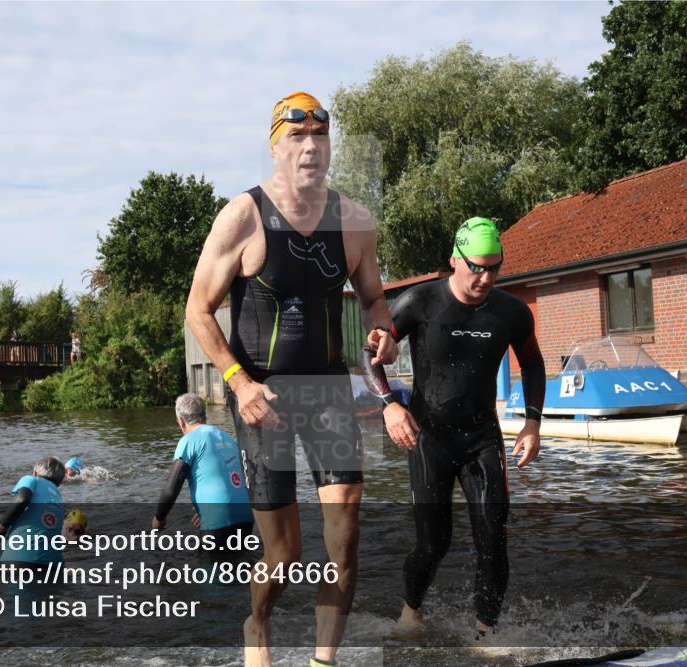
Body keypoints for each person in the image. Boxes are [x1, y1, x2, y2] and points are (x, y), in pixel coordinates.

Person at [185, 90, 397, 667]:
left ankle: (322, 661)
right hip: (264, 396)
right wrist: (238, 382)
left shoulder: (353, 220)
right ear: (275, 149)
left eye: (320, 138)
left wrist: (384, 331)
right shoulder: (244, 216)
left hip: (328, 390)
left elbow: (376, 299)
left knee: (345, 530)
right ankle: (258, 625)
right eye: (297, 139)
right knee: (281, 557)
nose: (310, 148)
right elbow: (197, 310)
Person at [361, 216, 546, 640]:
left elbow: (533, 363)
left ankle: (486, 634)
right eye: (476, 266)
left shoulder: (511, 312)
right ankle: (411, 611)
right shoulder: (419, 302)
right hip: (430, 438)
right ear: (454, 260)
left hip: (482, 437)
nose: (485, 277)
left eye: (494, 267)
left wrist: (533, 422)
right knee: (434, 543)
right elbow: (368, 351)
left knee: (493, 536)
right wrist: (390, 405)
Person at [153, 394, 254, 548]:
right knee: (239, 566)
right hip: (247, 518)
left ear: (180, 421)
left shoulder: (188, 440)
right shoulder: (227, 438)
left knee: (209, 569)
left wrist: (159, 518)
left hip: (218, 520)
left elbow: (171, 488)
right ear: (204, 416)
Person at [0, 456, 66, 567]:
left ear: (35, 472)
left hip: (20, 559)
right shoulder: (58, 498)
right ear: (60, 482)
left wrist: (1, 529)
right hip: (54, 564)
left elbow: (22, 499)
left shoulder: (31, 479)